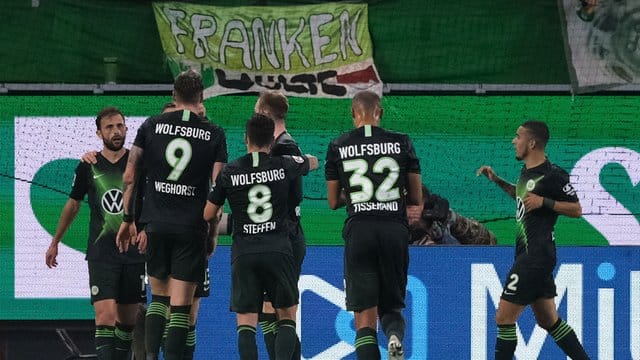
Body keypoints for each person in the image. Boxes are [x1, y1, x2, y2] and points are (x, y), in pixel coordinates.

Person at [116, 69, 227, 360]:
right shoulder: (214, 133)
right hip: (191, 226)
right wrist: (212, 231)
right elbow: (219, 187)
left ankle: (151, 357)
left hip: (154, 224)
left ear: (174, 96)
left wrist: (129, 220)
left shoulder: (151, 125)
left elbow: (129, 176)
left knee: (159, 297)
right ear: (202, 96)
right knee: (182, 306)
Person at [203, 113, 318, 360]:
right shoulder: (283, 164)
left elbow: (208, 213)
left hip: (244, 252)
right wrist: (301, 160)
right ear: (270, 142)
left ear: (246, 139)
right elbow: (313, 161)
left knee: (246, 323)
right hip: (279, 249)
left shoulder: (229, 171)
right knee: (286, 315)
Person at [477, 120, 590, 360]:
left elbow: (577, 209)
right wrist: (497, 180)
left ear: (532, 142)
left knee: (504, 317)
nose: (513, 141)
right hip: (533, 255)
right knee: (548, 320)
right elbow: (523, 198)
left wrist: (545, 203)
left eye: (517, 136)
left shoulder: (554, 175)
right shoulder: (527, 173)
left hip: (535, 256)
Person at [325, 90, 422, 360]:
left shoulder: (338, 145)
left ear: (354, 114)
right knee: (392, 307)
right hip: (394, 230)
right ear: (380, 113)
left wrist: (358, 195)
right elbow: (415, 198)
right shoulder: (402, 142)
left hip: (360, 231)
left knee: (364, 318)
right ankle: (393, 337)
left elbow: (333, 201)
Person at [45, 106, 146, 360]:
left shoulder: (139, 164)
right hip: (102, 254)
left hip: (134, 254)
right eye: (109, 127)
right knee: (105, 317)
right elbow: (73, 204)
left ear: (126, 128)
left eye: (120, 126)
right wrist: (55, 241)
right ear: (99, 133)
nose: (116, 131)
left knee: (127, 323)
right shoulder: (87, 166)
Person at [254, 90, 305, 360]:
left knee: (281, 311)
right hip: (279, 236)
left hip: (283, 237)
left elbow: (291, 195)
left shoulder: (284, 148)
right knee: (269, 310)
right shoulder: (282, 147)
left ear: (263, 113)